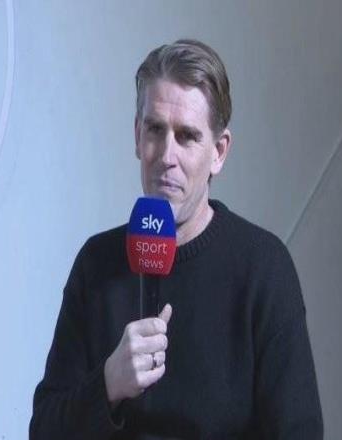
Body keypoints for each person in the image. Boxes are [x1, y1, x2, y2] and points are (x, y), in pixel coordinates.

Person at [29, 39, 323, 439]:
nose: (167, 156)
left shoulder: (264, 268)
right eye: (155, 130)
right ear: (137, 136)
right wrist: (109, 383)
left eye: (187, 136)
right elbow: (44, 430)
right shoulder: (96, 263)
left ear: (219, 152)